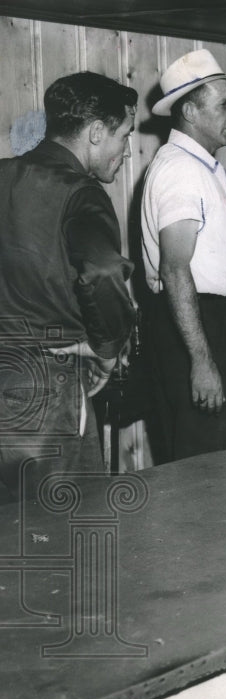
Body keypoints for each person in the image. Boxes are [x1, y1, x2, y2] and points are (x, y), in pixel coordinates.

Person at [0, 72, 137, 502]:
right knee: (65, 536)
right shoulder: (81, 193)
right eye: (124, 135)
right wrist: (107, 346)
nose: (127, 151)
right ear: (96, 132)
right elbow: (102, 273)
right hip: (46, 387)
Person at [141, 50, 226, 463]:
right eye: (224, 104)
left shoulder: (200, 167)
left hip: (211, 322)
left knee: (221, 457)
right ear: (189, 110)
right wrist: (201, 361)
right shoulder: (180, 172)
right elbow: (173, 268)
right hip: (195, 324)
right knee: (208, 469)